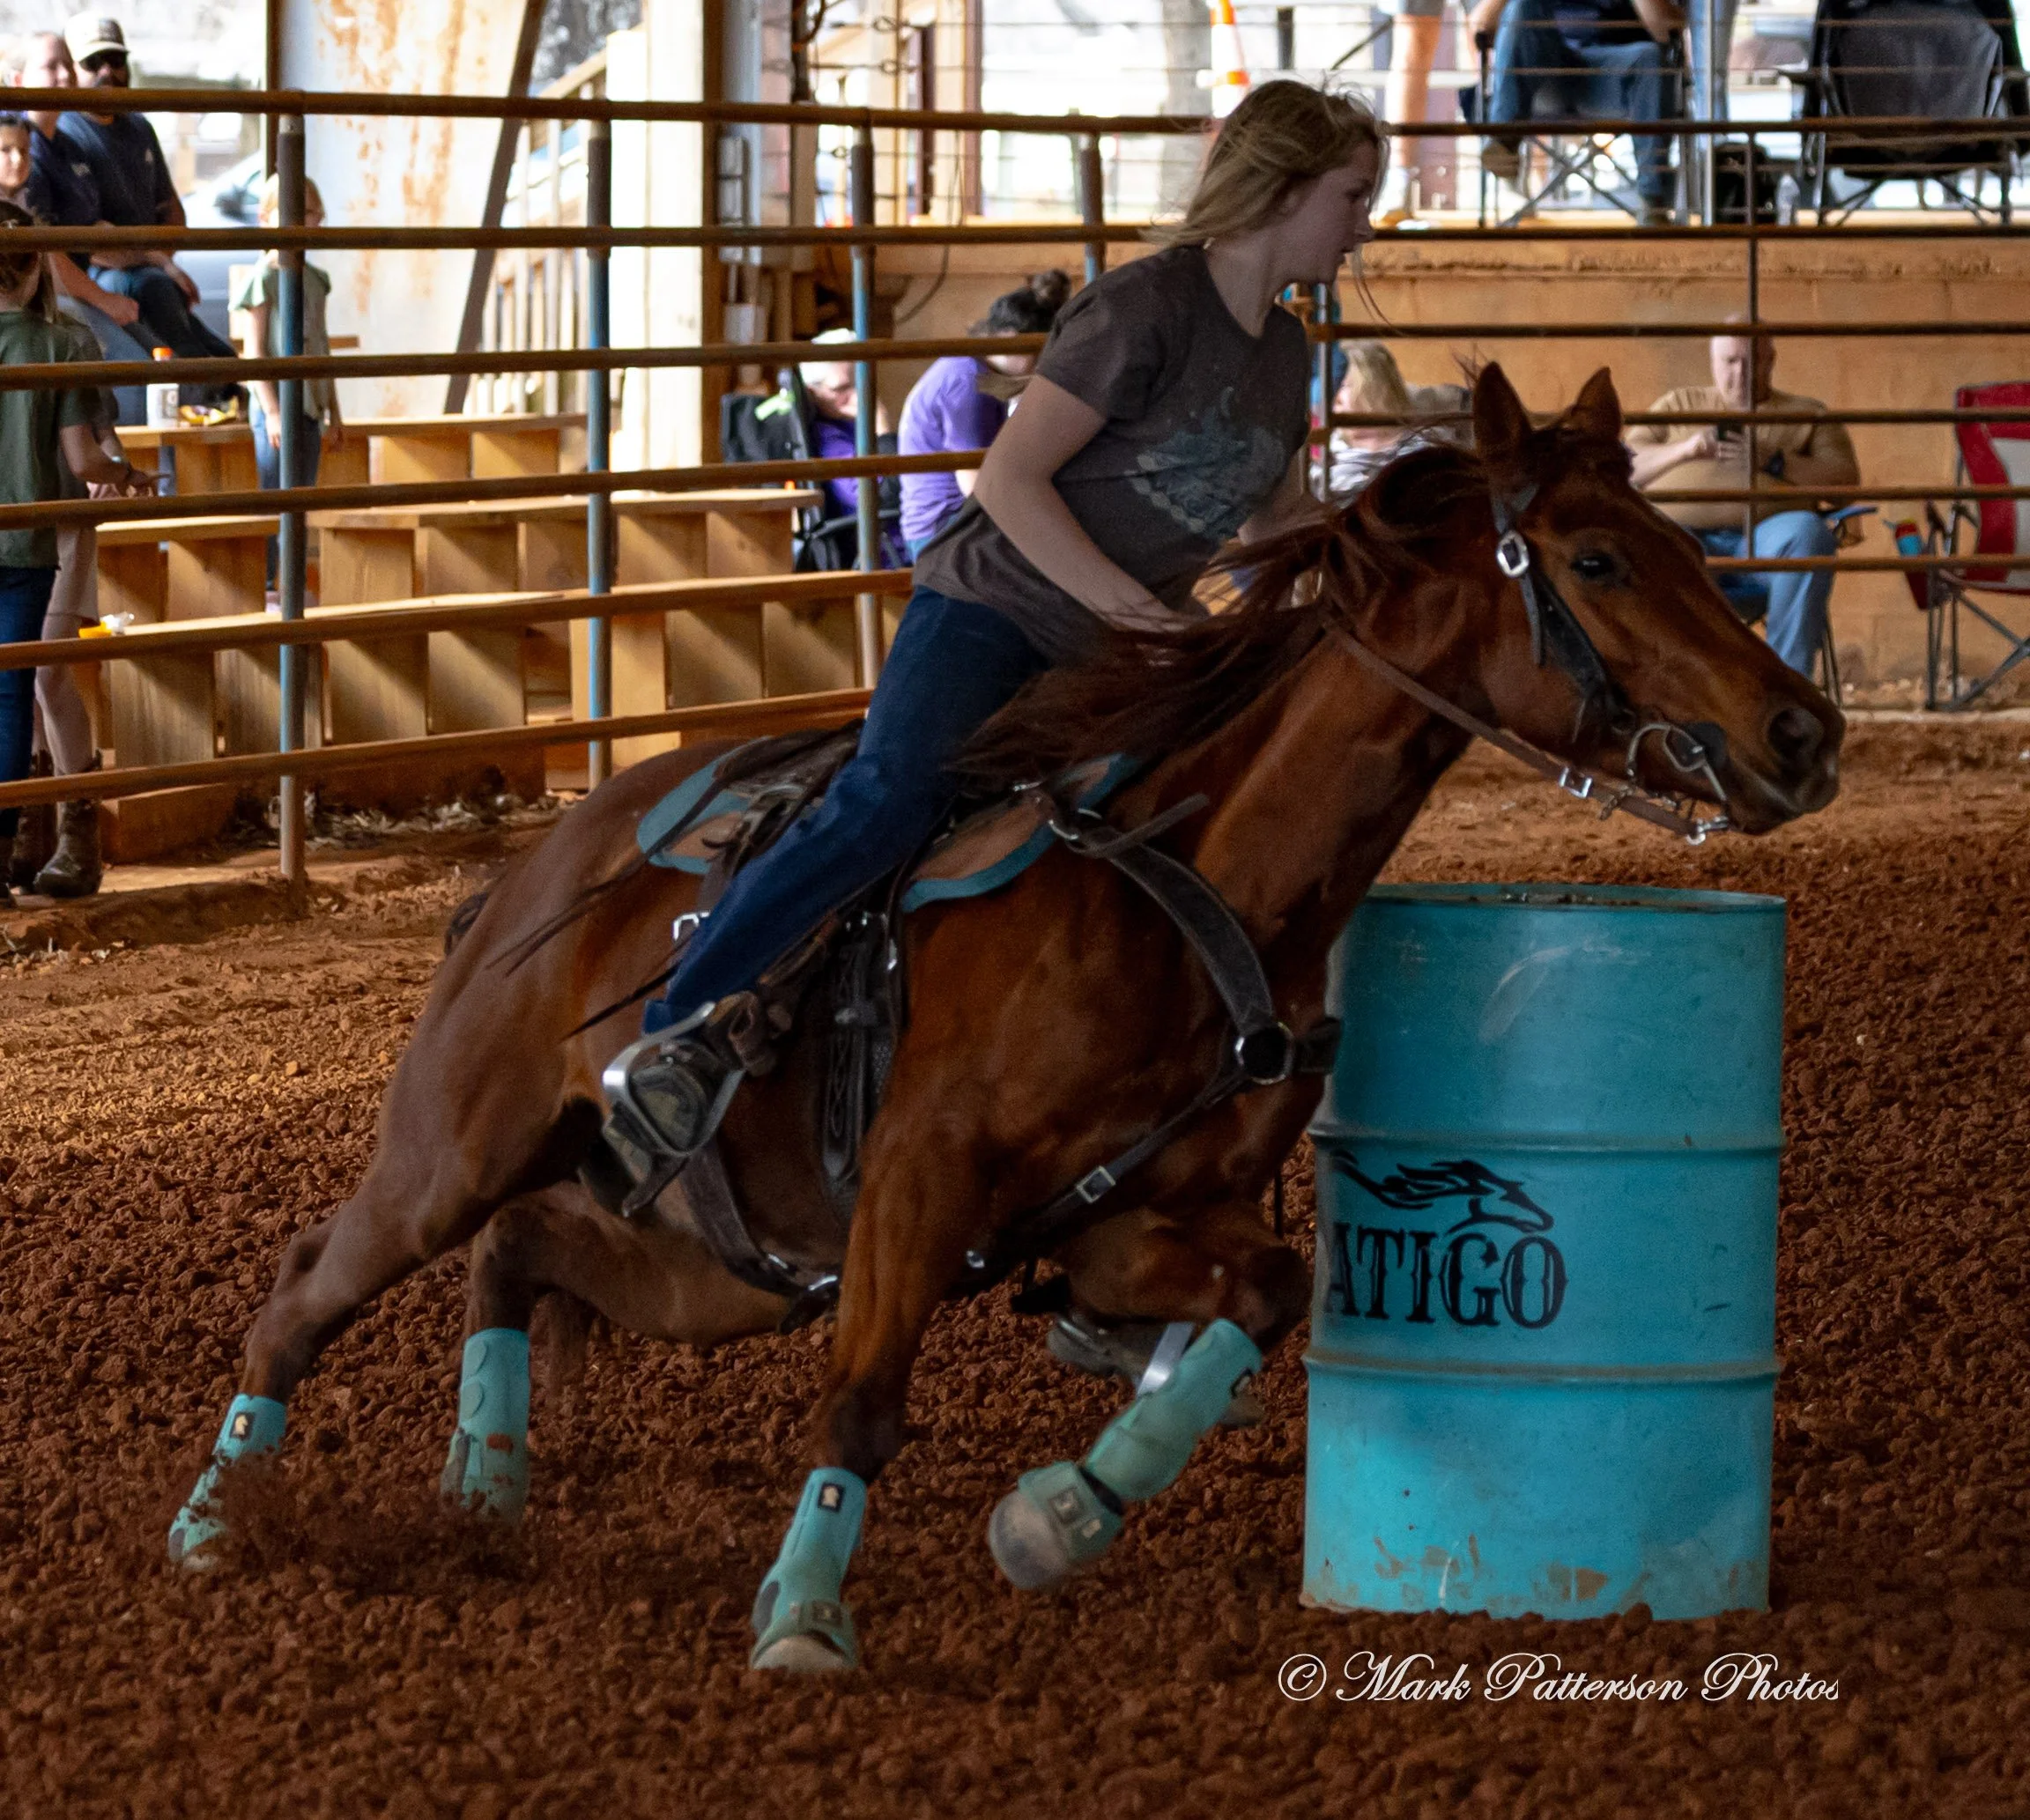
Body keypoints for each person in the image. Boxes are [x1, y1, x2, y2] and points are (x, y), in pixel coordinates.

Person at [600, 78, 1382, 1193]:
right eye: (1352, 195)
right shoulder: (1145, 308)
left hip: (1129, 638)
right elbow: (1012, 480)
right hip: (996, 606)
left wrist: (1382, 551)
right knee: (893, 794)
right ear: (1286, 188)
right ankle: (676, 1023)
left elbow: (1276, 517)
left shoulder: (1281, 353)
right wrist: (1132, 614)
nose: (1364, 221)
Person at [0, 201, 152, 908]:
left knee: (45, 677)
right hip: (29, 520)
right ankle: (33, 821)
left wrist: (115, 468)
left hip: (59, 519)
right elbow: (98, 449)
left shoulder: (71, 339)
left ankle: (75, 826)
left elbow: (100, 437)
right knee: (22, 680)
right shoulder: (55, 340)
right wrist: (118, 470)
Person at [1626, 324, 1859, 677]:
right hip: (1688, 547)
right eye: (1730, 361)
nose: (1740, 373)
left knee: (1809, 535)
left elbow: (1843, 482)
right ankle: (1675, 689)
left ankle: (1786, 683)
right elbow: (1624, 469)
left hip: (1767, 543)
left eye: (1752, 361)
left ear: (1771, 361)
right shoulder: (1678, 405)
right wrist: (1685, 451)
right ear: (1713, 361)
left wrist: (1773, 460)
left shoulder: (1808, 414)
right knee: (1646, 541)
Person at [56, 15, 240, 403]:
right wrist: (159, 260)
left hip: (146, 271)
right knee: (176, 361)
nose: (107, 71)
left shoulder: (139, 126)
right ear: (73, 71)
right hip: (98, 282)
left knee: (225, 359)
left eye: (115, 59)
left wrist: (159, 258)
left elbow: (173, 212)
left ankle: (211, 392)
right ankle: (199, 396)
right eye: (92, 63)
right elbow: (95, 244)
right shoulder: (66, 132)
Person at [3, 32, 153, 422]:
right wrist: (104, 300)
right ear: (18, 81)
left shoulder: (66, 145)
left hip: (75, 292)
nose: (65, 75)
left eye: (67, 64)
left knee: (151, 353)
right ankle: (116, 471)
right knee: (131, 375)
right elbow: (49, 253)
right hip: (45, 297)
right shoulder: (21, 157)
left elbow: (87, 229)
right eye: (50, 66)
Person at [897, 270, 1069, 558]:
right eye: (1037, 353)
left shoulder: (971, 369)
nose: (1039, 366)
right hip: (946, 528)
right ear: (1012, 341)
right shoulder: (968, 383)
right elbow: (976, 488)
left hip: (948, 523)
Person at [1472, 0, 1686, 226]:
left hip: (1611, 75)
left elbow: (1669, 31)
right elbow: (1480, 26)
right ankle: (1504, 138)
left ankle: (1653, 202)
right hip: (1546, 76)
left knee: (1650, 56)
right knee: (1524, 3)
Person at [236, 173, 345, 579]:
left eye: (311, 214)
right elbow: (255, 352)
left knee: (300, 502)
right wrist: (273, 411)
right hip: (278, 411)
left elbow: (322, 346)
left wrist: (335, 411)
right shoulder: (264, 277)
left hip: (311, 406)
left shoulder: (315, 281)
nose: (304, 223)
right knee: (276, 498)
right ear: (267, 219)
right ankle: (269, 583)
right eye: (293, 214)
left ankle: (293, 583)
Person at [1326, 339, 1470, 493]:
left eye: (1343, 386)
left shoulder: (1430, 448)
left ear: (1375, 389)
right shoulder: (1327, 458)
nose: (1335, 399)